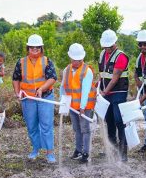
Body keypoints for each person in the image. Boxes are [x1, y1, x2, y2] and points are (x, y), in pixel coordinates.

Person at [12, 34, 57, 163]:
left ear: (41, 48)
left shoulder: (47, 61)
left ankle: (50, 152)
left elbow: (52, 78)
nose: (35, 50)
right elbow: (16, 78)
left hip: (45, 97)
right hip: (28, 98)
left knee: (46, 125)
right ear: (28, 48)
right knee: (32, 125)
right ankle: (35, 149)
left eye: (37, 48)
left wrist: (42, 88)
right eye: (32, 47)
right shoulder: (21, 62)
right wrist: (17, 93)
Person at [60, 43, 97, 163]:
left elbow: (85, 91)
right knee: (76, 129)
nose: (77, 62)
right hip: (72, 106)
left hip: (84, 106)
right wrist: (63, 102)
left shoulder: (87, 71)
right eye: (75, 59)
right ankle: (78, 150)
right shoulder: (67, 70)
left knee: (85, 129)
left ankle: (86, 153)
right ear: (70, 58)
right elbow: (63, 87)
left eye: (79, 59)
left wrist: (82, 107)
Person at [98, 29, 129, 162]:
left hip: (118, 93)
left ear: (114, 43)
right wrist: (99, 86)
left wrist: (105, 91)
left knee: (119, 121)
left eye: (109, 46)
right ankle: (112, 149)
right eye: (105, 46)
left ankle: (123, 153)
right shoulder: (102, 54)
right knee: (109, 121)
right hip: (106, 94)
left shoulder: (121, 56)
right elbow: (102, 74)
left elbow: (115, 77)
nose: (107, 48)